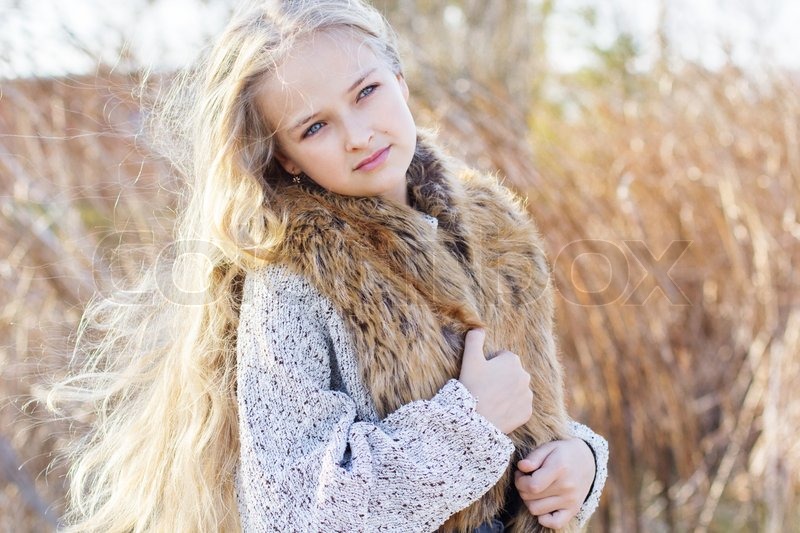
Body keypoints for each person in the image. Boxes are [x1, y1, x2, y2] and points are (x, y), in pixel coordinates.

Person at [46, 1, 607, 532]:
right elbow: (293, 514)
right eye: (315, 127)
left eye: (366, 92)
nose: (358, 136)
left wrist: (580, 463)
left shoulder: (497, 230)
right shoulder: (294, 278)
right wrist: (466, 427)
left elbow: (535, 420)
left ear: (400, 82)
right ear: (286, 157)